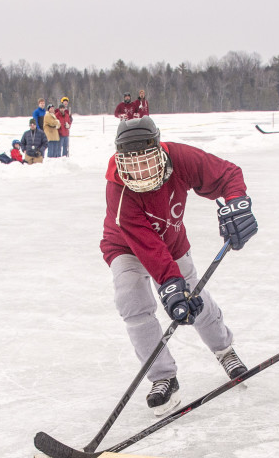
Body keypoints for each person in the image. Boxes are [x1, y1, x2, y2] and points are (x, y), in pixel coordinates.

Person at [101, 116, 257, 415]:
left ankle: (224, 350)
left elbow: (227, 174)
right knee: (133, 302)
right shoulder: (118, 190)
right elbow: (145, 244)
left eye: (146, 160)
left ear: (159, 150)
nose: (140, 171)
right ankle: (163, 378)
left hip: (172, 244)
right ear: (120, 160)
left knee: (194, 299)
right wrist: (171, 284)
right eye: (132, 163)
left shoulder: (181, 158)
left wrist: (237, 202)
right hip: (125, 246)